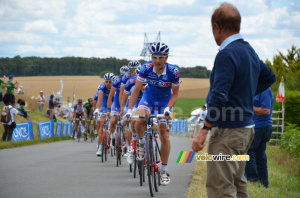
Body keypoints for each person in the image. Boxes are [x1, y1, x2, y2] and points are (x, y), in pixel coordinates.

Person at [191, 3, 276, 198]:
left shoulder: (226, 54)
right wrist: (244, 94)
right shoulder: (248, 50)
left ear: (216, 27)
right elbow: (269, 76)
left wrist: (204, 130)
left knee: (221, 187)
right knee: (238, 183)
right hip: (246, 130)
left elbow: (219, 96)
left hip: (228, 132)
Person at [126, 42, 180, 186]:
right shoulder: (146, 68)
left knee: (164, 134)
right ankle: (141, 143)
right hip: (148, 99)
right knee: (139, 120)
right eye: (154, 57)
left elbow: (175, 94)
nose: (156, 61)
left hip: (165, 102)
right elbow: (136, 90)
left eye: (160, 57)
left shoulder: (173, 72)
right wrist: (130, 110)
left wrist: (168, 108)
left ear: (166, 57)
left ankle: (163, 170)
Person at [245, 87, 273, 188]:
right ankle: (264, 183)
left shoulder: (264, 89)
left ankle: (253, 180)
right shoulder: (254, 89)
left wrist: (248, 106)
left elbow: (266, 110)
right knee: (259, 155)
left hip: (261, 126)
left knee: (249, 150)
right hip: (258, 126)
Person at [93, 73, 115, 156]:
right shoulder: (102, 87)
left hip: (114, 102)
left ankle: (113, 133)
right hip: (104, 103)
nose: (108, 83)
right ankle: (100, 146)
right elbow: (100, 99)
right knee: (101, 123)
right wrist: (97, 109)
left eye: (110, 81)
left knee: (114, 119)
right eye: (106, 81)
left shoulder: (115, 86)